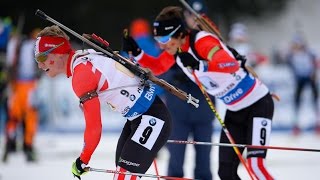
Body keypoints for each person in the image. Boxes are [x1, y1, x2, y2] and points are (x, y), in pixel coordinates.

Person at [122, 6, 275, 180]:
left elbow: (230, 64)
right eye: (158, 39)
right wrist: (137, 52)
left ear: (179, 34)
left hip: (257, 104)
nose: (162, 44)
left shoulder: (201, 41)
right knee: (225, 172)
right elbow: (157, 67)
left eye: (165, 38)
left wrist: (200, 65)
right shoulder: (177, 52)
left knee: (256, 165)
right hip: (235, 111)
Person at [34, 25, 172, 180]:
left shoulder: (81, 75)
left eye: (42, 57)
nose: (40, 65)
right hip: (137, 118)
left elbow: (94, 128)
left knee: (123, 178)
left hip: (152, 117)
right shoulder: (85, 55)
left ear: (58, 53)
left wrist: (83, 160)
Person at [2, 28, 41, 163]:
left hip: (16, 86)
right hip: (26, 86)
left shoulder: (15, 44)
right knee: (29, 117)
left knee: (15, 118)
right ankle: (27, 147)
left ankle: (11, 144)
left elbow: (8, 65)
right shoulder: (30, 46)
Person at [285, 32, 319, 135]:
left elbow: (315, 63)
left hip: (310, 78)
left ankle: (317, 124)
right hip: (300, 79)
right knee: (297, 102)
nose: (296, 46)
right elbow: (290, 66)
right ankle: (296, 125)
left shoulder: (309, 52)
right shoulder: (291, 54)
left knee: (315, 101)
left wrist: (314, 73)